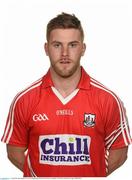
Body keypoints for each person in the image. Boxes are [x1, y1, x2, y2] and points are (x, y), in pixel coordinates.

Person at [1, 12, 132, 177]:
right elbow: (14, 152)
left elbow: (119, 152)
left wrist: (91, 173)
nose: (64, 53)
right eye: (57, 45)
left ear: (83, 49)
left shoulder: (107, 100)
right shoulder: (25, 100)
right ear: (46, 48)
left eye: (72, 45)